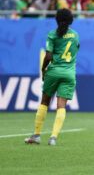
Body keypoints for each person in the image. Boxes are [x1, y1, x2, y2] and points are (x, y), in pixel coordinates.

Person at [25, 8, 80, 146]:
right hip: (69, 73)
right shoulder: (75, 35)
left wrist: (43, 69)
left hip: (54, 72)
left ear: (57, 19)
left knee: (44, 101)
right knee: (61, 106)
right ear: (70, 20)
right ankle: (53, 138)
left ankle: (36, 135)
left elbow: (48, 55)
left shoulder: (52, 35)